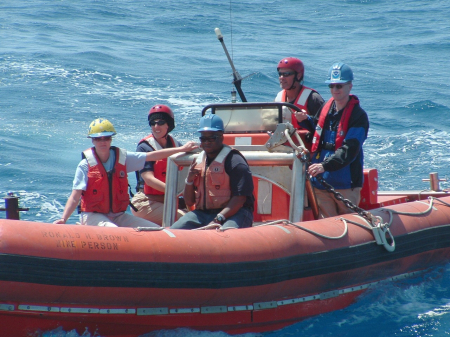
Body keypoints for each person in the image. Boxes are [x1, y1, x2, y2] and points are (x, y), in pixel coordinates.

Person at [54, 118, 197, 227]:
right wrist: (64, 219)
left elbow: (152, 156)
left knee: (157, 231)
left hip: (118, 215)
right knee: (114, 232)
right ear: (92, 140)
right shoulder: (85, 165)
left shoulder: (122, 158)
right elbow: (75, 196)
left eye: (107, 138)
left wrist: (180, 149)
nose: (103, 142)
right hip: (92, 216)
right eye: (98, 138)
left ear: (111, 139)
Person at [296, 63, 369, 218]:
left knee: (349, 223)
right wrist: (306, 120)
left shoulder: (358, 116)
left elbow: (350, 150)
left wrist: (324, 166)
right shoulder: (326, 108)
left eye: (339, 86)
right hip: (321, 182)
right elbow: (318, 128)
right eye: (332, 86)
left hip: (345, 184)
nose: (335, 90)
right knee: (327, 224)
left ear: (350, 86)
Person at [170, 114, 254, 230]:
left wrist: (218, 218)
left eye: (211, 138)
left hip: (235, 214)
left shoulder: (235, 161)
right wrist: (189, 181)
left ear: (221, 137)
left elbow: (240, 199)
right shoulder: (198, 161)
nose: (207, 142)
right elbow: (189, 201)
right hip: (203, 214)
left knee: (226, 236)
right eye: (203, 138)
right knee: (176, 231)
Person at [131, 105, 185, 225]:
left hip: (169, 199)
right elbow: (149, 180)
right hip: (145, 202)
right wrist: (177, 192)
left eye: (160, 122)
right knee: (185, 219)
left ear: (168, 125)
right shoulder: (144, 147)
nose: (156, 126)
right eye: (152, 123)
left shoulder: (177, 145)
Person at [275, 57, 325, 129]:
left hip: (304, 139)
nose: (281, 77)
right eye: (280, 74)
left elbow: (324, 126)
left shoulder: (313, 98)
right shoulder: (278, 98)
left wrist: (306, 119)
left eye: (286, 74)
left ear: (298, 76)